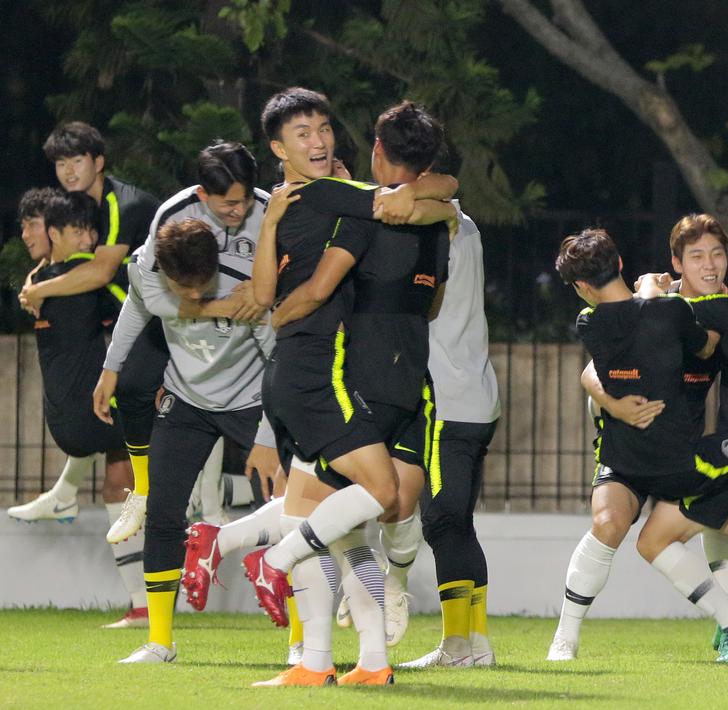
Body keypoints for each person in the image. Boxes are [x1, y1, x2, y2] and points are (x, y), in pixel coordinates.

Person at [242, 88, 454, 687]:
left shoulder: (317, 203)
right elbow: (425, 206)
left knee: (324, 518)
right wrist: (285, 308)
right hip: (328, 373)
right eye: (303, 134)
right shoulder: (334, 200)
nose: (320, 142)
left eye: (323, 129)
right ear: (278, 148)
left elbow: (427, 199)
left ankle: (344, 660)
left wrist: (278, 309)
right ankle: (288, 592)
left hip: (328, 372)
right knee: (353, 508)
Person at [555, 227, 728, 662]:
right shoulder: (655, 313)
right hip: (632, 451)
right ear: (677, 264)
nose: (709, 264)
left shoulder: (719, 314)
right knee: (610, 524)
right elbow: (590, 372)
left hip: (678, 452)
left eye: (716, 254)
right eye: (696, 256)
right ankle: (565, 639)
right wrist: (613, 403)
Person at [92, 215, 277, 665]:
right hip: (186, 401)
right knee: (162, 516)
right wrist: (111, 367)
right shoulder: (148, 271)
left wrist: (270, 434)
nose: (193, 297)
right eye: (183, 287)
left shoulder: (245, 287)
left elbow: (279, 357)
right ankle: (159, 641)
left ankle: (301, 648)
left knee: (283, 511)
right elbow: (136, 305)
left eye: (201, 285)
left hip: (248, 402)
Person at [5, 189, 145, 629]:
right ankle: (142, 604)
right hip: (81, 413)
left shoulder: (86, 276)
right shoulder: (47, 279)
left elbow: (130, 301)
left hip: (103, 408)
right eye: (78, 230)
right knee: (129, 481)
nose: (29, 232)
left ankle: (142, 604)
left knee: (133, 484)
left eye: (34, 224)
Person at [25, 122, 166, 550]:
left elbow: (102, 271)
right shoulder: (75, 207)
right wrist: (38, 276)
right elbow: (62, 256)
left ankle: (69, 493)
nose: (68, 171)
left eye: (77, 161)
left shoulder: (122, 203)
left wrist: (39, 288)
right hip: (125, 321)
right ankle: (66, 493)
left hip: (164, 318)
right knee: (106, 411)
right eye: (60, 163)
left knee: (136, 411)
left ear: (99, 162)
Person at [399, 203, 501, 668]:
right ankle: (476, 644)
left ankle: (456, 646)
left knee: (442, 523)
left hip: (446, 400)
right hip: (478, 395)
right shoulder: (469, 223)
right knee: (460, 523)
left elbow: (422, 302)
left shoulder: (429, 227)